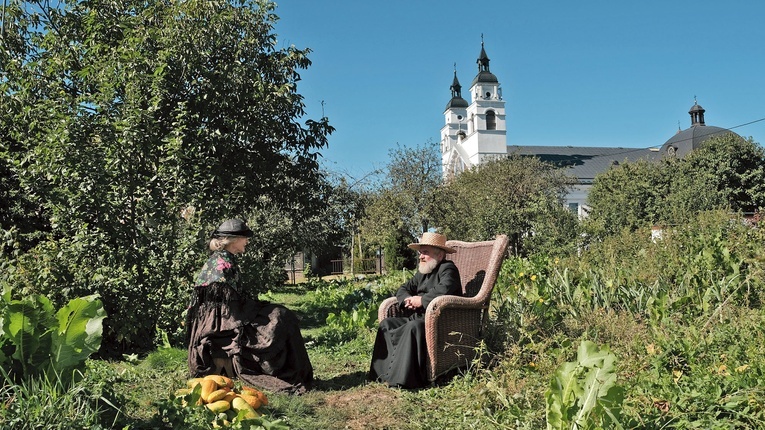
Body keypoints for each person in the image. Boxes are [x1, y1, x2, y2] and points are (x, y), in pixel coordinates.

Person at [186, 219, 313, 394]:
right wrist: (253, 312)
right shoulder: (222, 264)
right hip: (225, 323)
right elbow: (224, 311)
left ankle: (292, 370)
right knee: (281, 318)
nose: (247, 241)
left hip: (231, 314)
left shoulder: (224, 259)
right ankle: (287, 371)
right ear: (234, 239)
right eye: (245, 238)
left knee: (281, 314)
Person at [368, 232, 461, 389]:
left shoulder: (448, 269)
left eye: (425, 252)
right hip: (418, 317)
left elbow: (444, 290)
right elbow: (403, 288)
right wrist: (406, 300)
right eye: (420, 252)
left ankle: (403, 379)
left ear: (439, 255)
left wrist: (421, 301)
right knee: (387, 324)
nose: (421, 256)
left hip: (438, 321)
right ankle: (381, 374)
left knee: (413, 327)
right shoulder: (422, 273)